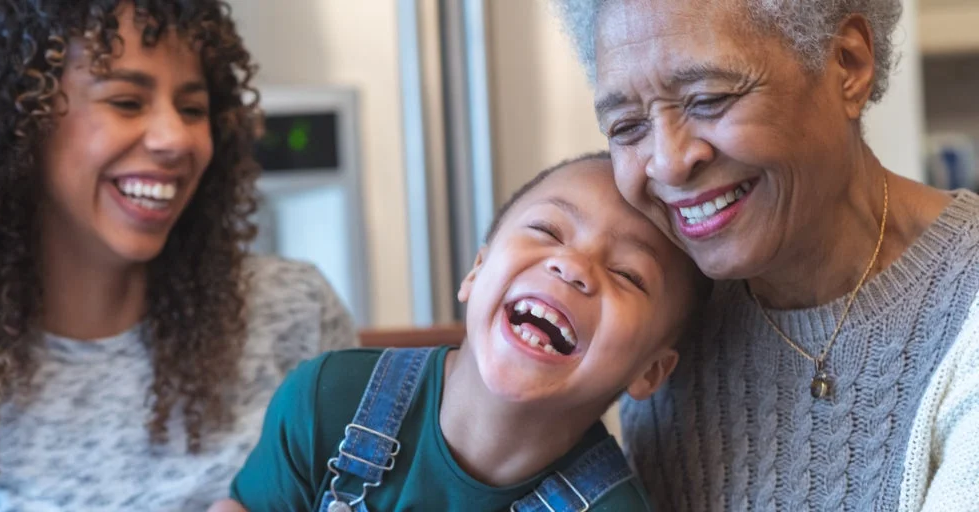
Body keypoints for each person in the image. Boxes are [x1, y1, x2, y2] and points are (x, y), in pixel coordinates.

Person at [553, 0, 979, 510]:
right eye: (626, 127)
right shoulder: (660, 308)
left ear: (848, 65)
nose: (667, 163)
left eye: (708, 99)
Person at [0, 1, 356, 510]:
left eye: (193, 109)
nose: (175, 138)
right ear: (18, 121)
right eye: (127, 102)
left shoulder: (297, 314)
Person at [210, 153, 710, 512]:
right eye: (548, 231)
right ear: (477, 270)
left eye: (628, 275)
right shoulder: (325, 401)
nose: (573, 266)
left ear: (650, 371)